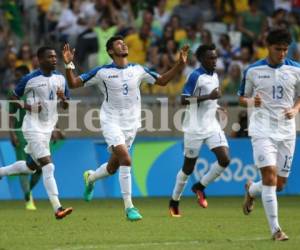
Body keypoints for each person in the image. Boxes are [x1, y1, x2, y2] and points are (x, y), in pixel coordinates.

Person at [62, 35, 189, 221]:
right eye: (118, 44)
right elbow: (73, 84)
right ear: (111, 51)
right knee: (126, 159)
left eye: (123, 42)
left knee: (113, 167)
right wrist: (68, 65)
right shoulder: (102, 72)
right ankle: (129, 208)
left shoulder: (138, 70)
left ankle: (90, 178)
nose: (123, 44)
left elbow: (162, 81)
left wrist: (180, 64)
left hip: (131, 125)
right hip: (111, 121)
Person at [238, 28, 300, 241]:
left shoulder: (296, 70)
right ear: (268, 47)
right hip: (262, 130)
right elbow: (241, 98)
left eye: (285, 49)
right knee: (270, 178)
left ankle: (251, 189)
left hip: (287, 132)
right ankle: (276, 230)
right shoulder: (253, 70)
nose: (282, 53)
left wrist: (296, 109)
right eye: (278, 49)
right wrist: (250, 102)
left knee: (279, 184)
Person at [0, 46, 73, 220]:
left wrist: (63, 99)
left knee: (30, 167)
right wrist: (28, 107)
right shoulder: (30, 79)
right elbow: (13, 97)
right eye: (50, 57)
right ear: (40, 60)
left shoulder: (60, 78)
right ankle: (57, 208)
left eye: (55, 57)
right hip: (32, 127)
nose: (54, 59)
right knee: (48, 165)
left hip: (48, 128)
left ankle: (1, 172)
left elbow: (66, 105)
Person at [168, 44, 231, 217]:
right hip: (194, 128)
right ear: (202, 59)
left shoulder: (215, 75)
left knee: (224, 159)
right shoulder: (195, 76)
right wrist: (208, 97)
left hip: (212, 125)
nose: (214, 61)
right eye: (211, 58)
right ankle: (174, 200)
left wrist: (216, 106)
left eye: (215, 57)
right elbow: (183, 99)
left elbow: (212, 100)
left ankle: (200, 186)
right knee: (188, 169)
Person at [8, 65, 42, 211]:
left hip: (36, 132)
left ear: (24, 76)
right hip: (20, 132)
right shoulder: (14, 94)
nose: (15, 78)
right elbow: (11, 116)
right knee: (24, 166)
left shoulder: (37, 92)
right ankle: (29, 198)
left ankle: (29, 192)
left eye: (17, 75)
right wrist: (13, 133)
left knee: (40, 167)